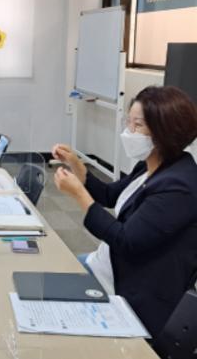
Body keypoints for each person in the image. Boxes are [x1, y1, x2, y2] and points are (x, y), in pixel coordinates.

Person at [52, 85, 197, 337]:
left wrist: (79, 195)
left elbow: (126, 240)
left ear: (163, 132)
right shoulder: (150, 165)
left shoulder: (179, 186)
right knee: (49, 279)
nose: (128, 132)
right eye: (128, 122)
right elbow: (110, 195)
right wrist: (76, 164)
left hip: (133, 289)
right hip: (105, 264)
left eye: (137, 125)